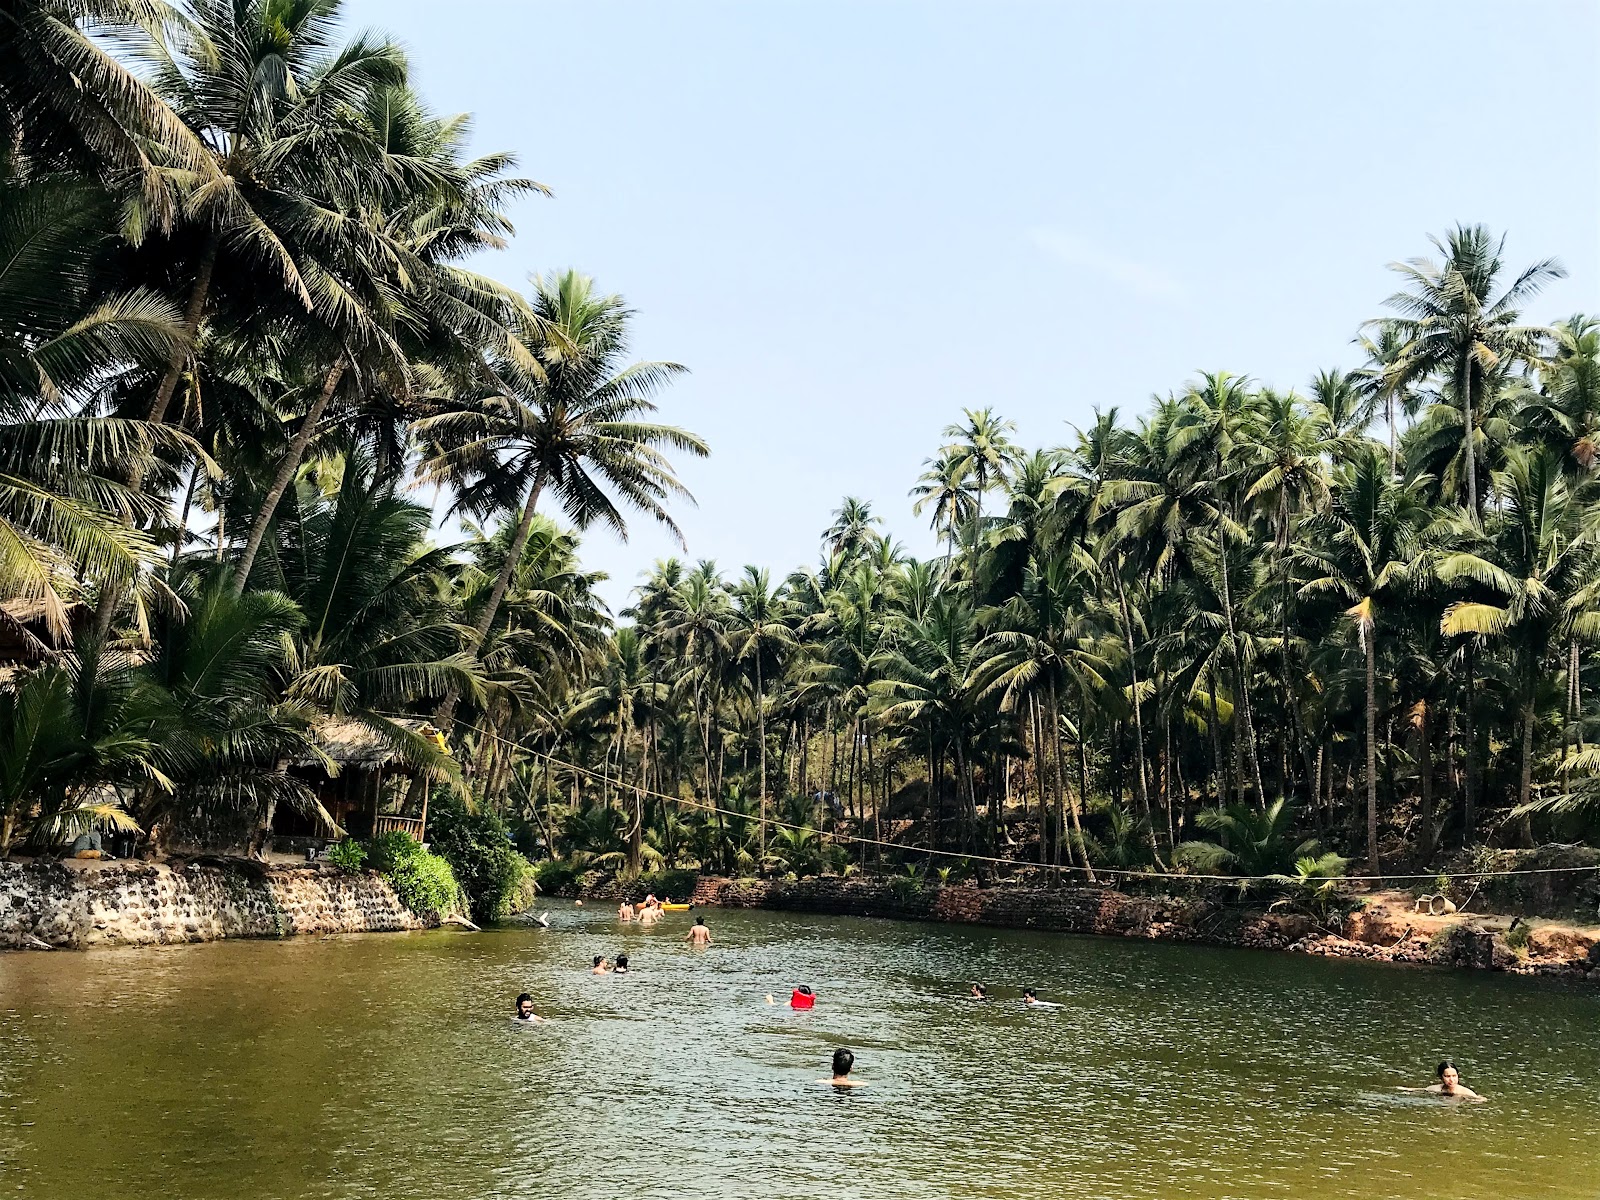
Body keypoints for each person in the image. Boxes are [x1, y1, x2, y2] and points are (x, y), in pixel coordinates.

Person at [1399, 1060, 1485, 1102]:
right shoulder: (1436, 1089)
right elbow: (1422, 1090)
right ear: (1441, 1077)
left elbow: (1481, 1099)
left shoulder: (1465, 1092)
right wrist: (1407, 1090)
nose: (1451, 1080)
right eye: (1447, 1076)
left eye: (1454, 1076)